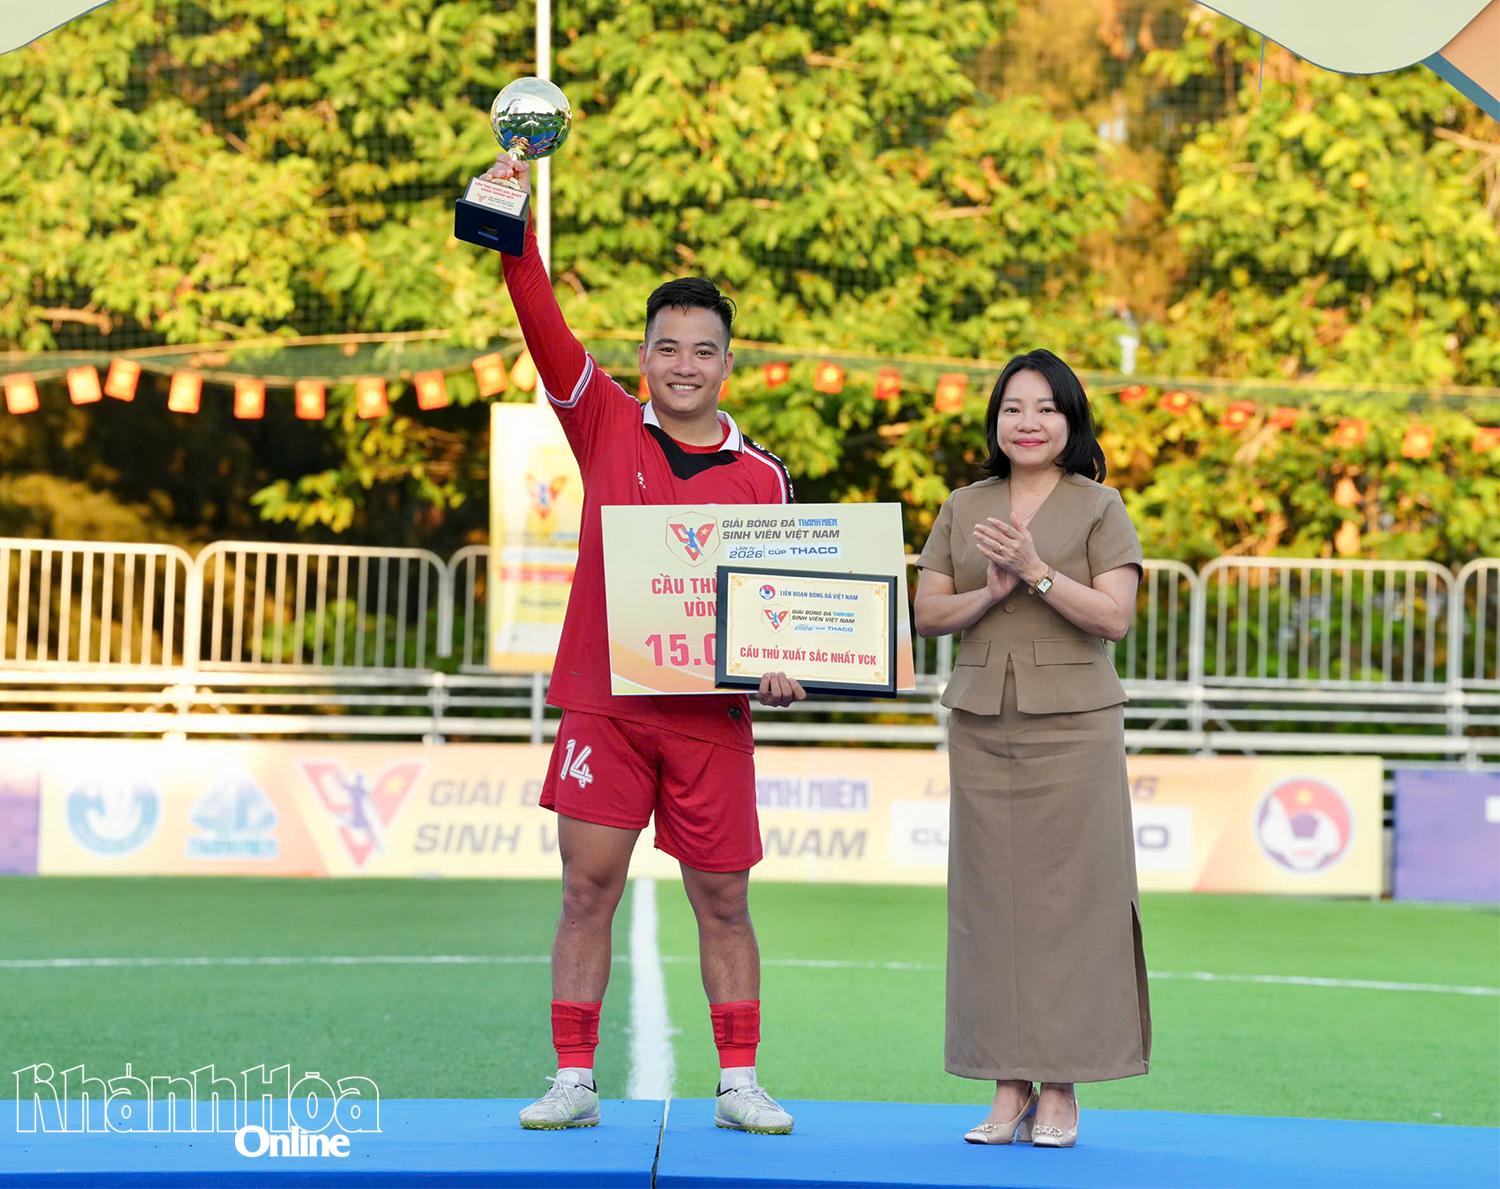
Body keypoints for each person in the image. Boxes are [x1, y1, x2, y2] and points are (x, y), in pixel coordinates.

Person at [482, 154, 805, 1135]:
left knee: (724, 900)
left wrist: (785, 664)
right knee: (587, 889)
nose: (684, 365)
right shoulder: (605, 423)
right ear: (647, 355)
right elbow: (542, 322)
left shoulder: (764, 479)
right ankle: (573, 1077)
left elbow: (781, 609)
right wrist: (511, 223)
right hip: (607, 707)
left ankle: (739, 1081)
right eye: (668, 348)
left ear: (727, 364)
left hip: (710, 719)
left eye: (703, 351)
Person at [913, 349, 1150, 1149]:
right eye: (1014, 407)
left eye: (1047, 407)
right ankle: (1008, 1081)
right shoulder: (964, 505)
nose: (1029, 422)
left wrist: (1036, 570)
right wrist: (989, 592)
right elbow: (926, 614)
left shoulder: (1101, 506)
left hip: (1077, 726)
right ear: (996, 420)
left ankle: (1064, 1083)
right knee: (991, 909)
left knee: (1074, 907)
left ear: (1071, 420)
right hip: (984, 724)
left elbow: (1114, 617)